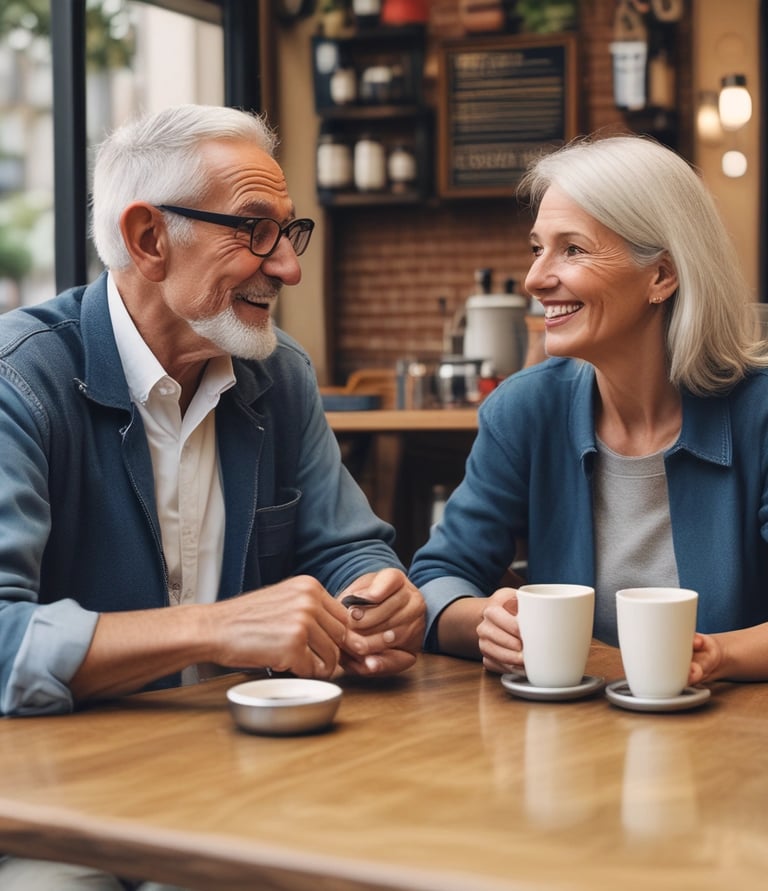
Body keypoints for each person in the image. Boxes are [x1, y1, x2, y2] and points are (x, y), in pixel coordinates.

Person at [409, 132, 768, 686]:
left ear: (662, 276)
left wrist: (715, 656)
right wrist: (485, 622)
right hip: (573, 734)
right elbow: (438, 576)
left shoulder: (759, 413)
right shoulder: (525, 410)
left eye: (572, 249)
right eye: (537, 248)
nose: (535, 279)